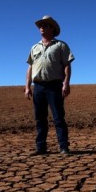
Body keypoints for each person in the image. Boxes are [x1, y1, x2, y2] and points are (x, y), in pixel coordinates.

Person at [25, 15, 75, 155]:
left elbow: (67, 65)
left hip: (54, 86)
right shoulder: (34, 47)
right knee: (40, 119)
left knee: (58, 117)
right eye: (40, 25)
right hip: (38, 87)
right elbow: (30, 68)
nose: (42, 27)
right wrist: (27, 86)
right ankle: (40, 147)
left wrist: (66, 83)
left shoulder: (61, 46)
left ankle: (63, 146)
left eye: (45, 25)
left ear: (52, 28)